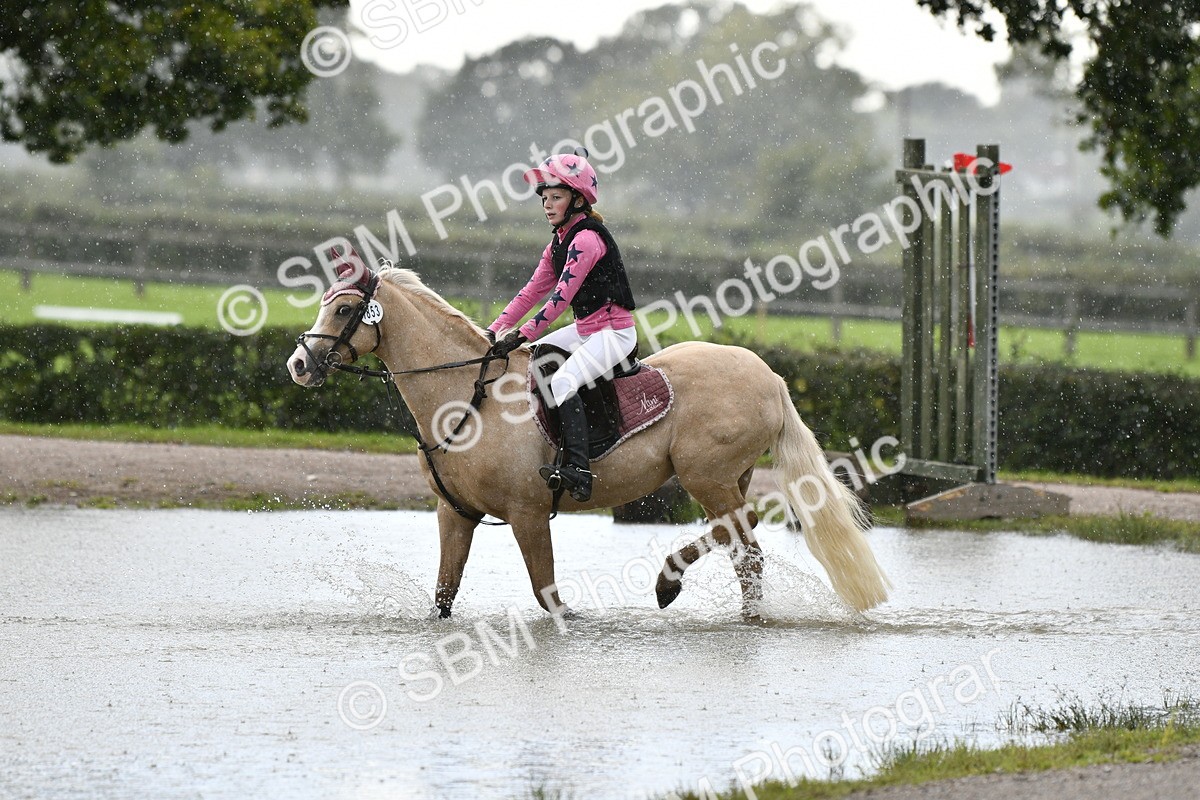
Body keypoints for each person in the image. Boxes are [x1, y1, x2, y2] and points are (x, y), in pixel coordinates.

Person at [487, 150, 637, 502]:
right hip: (586, 331)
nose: (547, 205)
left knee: (563, 381)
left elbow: (559, 300)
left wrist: (521, 334)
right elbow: (530, 293)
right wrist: (493, 331)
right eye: (545, 198)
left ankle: (579, 470)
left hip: (615, 335)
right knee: (533, 357)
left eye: (556, 197)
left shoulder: (586, 240)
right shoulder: (557, 242)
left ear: (578, 200)